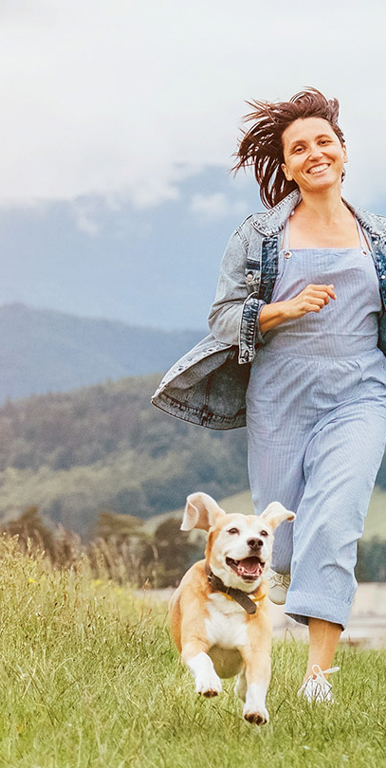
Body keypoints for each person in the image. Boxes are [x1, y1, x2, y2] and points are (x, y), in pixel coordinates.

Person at [152, 88, 386, 703]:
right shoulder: (259, 235)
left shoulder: (378, 240)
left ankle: (318, 677)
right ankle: (278, 585)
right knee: (278, 539)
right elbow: (224, 316)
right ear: (286, 166)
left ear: (343, 152)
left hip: (361, 394)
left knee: (334, 523)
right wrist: (280, 310)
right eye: (299, 147)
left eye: (324, 142)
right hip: (281, 397)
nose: (315, 153)